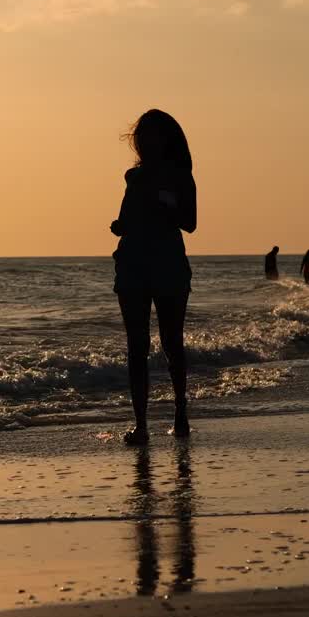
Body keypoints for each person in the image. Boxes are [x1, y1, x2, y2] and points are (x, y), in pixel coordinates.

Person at [109, 109, 196, 445]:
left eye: (152, 134)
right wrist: (121, 226)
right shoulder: (134, 177)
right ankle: (141, 424)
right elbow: (126, 218)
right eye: (142, 135)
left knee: (172, 341)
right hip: (132, 262)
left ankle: (180, 412)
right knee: (136, 346)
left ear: (166, 139)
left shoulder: (181, 176)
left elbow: (190, 223)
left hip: (169, 263)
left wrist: (162, 207)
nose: (145, 141)